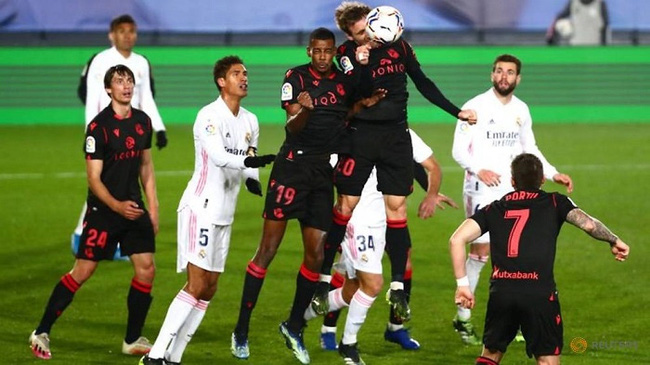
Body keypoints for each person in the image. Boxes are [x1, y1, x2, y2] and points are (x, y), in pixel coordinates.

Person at [312, 0, 476, 332]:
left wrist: (455, 111)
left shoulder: (399, 47)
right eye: (360, 32)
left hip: (395, 136)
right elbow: (351, 97)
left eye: (369, 28)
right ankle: (324, 280)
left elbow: (423, 82)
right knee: (345, 205)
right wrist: (360, 65)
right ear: (351, 33)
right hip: (361, 137)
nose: (368, 36)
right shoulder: (345, 55)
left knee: (398, 208)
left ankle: (398, 288)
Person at [230, 27, 380, 364]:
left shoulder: (342, 82)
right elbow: (291, 126)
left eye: (329, 51)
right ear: (309, 51)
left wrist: (362, 104)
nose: (324, 56)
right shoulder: (295, 79)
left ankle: (294, 325)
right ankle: (241, 328)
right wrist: (305, 110)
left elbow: (345, 116)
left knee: (315, 254)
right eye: (318, 51)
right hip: (291, 170)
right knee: (267, 250)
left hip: (320, 176)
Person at [139, 56, 275, 365]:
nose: (244, 78)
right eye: (237, 73)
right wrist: (250, 164)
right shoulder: (208, 116)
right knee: (197, 284)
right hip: (200, 208)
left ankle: (174, 358)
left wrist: (254, 180)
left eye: (246, 73)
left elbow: (249, 155)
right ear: (221, 81)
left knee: (210, 289)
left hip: (225, 214)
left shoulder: (250, 120)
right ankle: (155, 354)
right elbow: (219, 156)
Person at [29, 65, 159, 360]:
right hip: (104, 211)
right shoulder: (98, 128)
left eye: (129, 80)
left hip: (134, 208)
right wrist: (116, 207)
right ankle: (42, 331)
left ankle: (131, 339)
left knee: (146, 268)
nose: (126, 86)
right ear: (108, 90)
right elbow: (94, 179)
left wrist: (153, 207)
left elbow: (146, 167)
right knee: (84, 270)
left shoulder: (142, 122)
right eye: (119, 81)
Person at [450, 153, 629, 365]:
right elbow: (589, 224)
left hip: (502, 292)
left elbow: (457, 239)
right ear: (542, 179)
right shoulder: (555, 201)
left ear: (513, 181)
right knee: (547, 360)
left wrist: (463, 284)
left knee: (490, 355)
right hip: (539, 294)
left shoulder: (495, 207)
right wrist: (613, 240)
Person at [450, 53, 574, 345]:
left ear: (518, 78)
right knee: (481, 252)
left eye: (509, 72)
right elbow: (458, 150)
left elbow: (529, 147)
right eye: (499, 71)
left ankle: (515, 317)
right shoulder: (474, 107)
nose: (503, 77)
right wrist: (478, 169)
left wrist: (553, 173)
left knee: (515, 252)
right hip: (480, 186)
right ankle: (463, 317)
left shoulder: (522, 109)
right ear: (491, 75)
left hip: (513, 187)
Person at [308, 129, 457, 363]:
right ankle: (328, 329)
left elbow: (425, 164)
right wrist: (335, 222)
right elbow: (328, 177)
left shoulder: (401, 131)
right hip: (358, 222)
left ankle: (394, 327)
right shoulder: (351, 131)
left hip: (391, 220)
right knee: (359, 282)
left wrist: (431, 193)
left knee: (400, 267)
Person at [72, 14, 167, 259]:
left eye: (132, 31)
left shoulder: (142, 63)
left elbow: (146, 99)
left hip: (133, 132)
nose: (128, 35)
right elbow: (92, 98)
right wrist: (90, 132)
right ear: (112, 35)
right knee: (104, 183)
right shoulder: (101, 60)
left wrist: (159, 128)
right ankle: (82, 236)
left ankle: (117, 240)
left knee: (126, 184)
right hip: (107, 133)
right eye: (122, 31)